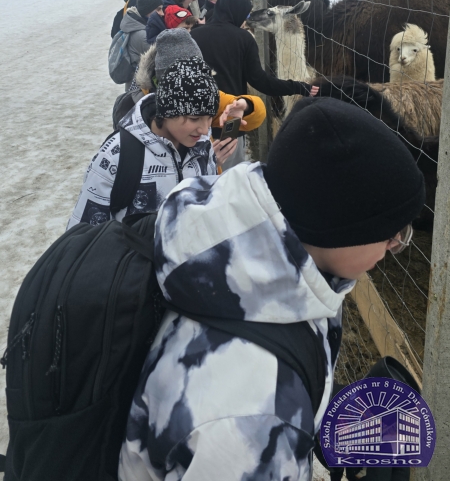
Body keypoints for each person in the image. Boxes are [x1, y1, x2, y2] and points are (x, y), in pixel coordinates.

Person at [119, 97, 426, 480]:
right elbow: (247, 425)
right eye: (391, 232)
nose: (394, 244)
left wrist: (311, 412)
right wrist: (287, 420)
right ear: (340, 227)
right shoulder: (254, 422)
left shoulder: (253, 263)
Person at [67, 57, 237, 230]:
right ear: (167, 110)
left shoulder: (202, 146)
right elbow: (83, 236)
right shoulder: (116, 155)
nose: (204, 129)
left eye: (209, 118)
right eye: (194, 119)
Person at [112, 28, 266, 134]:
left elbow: (257, 116)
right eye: (194, 119)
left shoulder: (201, 95)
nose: (205, 130)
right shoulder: (130, 105)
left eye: (198, 75)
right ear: (162, 80)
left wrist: (247, 106)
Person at [192, 0, 314, 97]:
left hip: (196, 104)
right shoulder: (244, 38)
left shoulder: (193, 35)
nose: (245, 21)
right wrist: (298, 87)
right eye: (245, 15)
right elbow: (260, 81)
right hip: (231, 109)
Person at [119, 0, 163, 88]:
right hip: (139, 88)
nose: (162, 13)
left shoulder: (141, 26)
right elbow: (161, 56)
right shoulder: (142, 34)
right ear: (148, 10)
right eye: (158, 9)